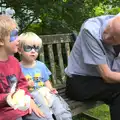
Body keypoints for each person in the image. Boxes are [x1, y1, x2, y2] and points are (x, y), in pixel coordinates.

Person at [65, 13, 120, 120]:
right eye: (108, 29)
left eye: (114, 39)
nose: (107, 37)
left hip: (101, 82)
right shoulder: (90, 30)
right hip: (78, 82)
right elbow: (107, 76)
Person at [0, 15, 48, 120]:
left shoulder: (14, 61)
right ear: (1, 41)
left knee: (43, 117)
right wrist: (8, 98)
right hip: (5, 113)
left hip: (22, 106)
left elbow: (22, 84)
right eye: (14, 36)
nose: (19, 39)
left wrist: (28, 98)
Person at [18, 32, 72, 120]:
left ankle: (64, 117)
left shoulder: (41, 65)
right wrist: (26, 85)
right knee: (44, 113)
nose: (33, 51)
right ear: (20, 50)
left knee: (59, 107)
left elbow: (46, 80)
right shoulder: (17, 68)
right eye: (28, 48)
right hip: (32, 96)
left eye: (36, 48)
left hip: (45, 93)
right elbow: (17, 88)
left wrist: (51, 89)